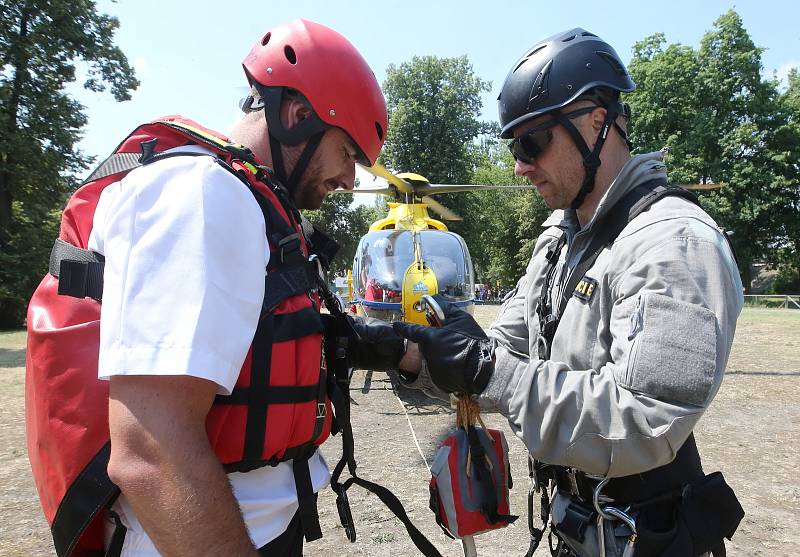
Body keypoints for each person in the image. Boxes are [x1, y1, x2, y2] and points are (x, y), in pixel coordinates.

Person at [394, 28, 744, 557]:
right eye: (513, 147)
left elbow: (647, 420)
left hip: (648, 536)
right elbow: (500, 352)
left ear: (596, 123)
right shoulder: (560, 239)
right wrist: (400, 352)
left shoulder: (672, 242)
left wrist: (491, 369)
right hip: (580, 527)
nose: (519, 165)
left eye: (532, 142)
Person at [93, 19, 405, 557]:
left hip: (254, 526)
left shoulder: (250, 202)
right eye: (349, 154)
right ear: (297, 116)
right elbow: (151, 452)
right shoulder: (201, 193)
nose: (351, 181)